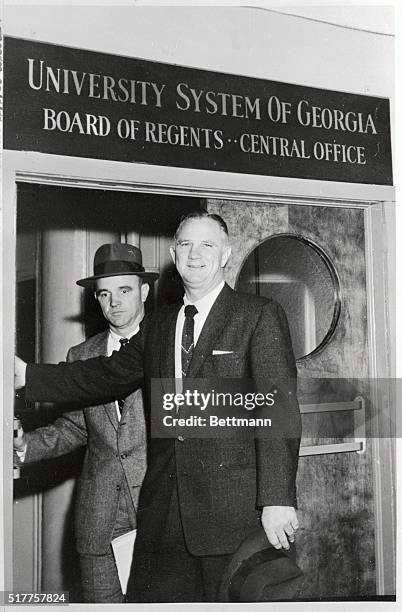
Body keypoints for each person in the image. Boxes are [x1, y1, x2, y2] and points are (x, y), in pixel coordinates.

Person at [15, 212, 301, 603]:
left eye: (207, 245)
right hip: (163, 517)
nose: (194, 254)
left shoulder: (258, 315)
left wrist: (277, 498)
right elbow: (106, 374)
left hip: (231, 513)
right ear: (173, 253)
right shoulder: (159, 324)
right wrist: (27, 375)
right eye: (185, 244)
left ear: (226, 254)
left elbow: (278, 412)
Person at [14, 243, 158, 603]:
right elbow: (75, 427)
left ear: (144, 290)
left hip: (161, 511)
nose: (114, 303)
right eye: (104, 294)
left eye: (124, 290)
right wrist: (26, 445)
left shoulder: (169, 348)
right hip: (99, 519)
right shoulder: (82, 356)